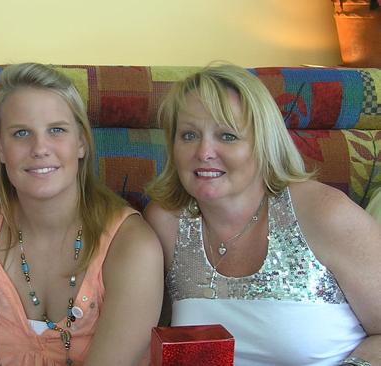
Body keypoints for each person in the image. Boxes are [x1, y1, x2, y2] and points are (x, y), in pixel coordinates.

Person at [144, 63, 381, 366]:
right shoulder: (165, 223)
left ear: (263, 142)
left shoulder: (324, 214)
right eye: (189, 135)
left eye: (227, 136)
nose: (203, 152)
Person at [0, 63, 163, 365]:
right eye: (21, 132)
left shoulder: (132, 245)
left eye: (57, 130)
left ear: (81, 143)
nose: (40, 148)